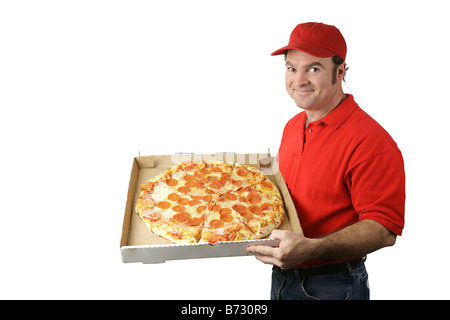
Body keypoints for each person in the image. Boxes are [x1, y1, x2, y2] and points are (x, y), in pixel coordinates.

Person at [247, 22, 405, 300]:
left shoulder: (371, 141)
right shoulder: (294, 125)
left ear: (340, 71)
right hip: (282, 275)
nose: (299, 80)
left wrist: (313, 247)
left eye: (314, 69)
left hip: (333, 284)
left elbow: (383, 229)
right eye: (292, 68)